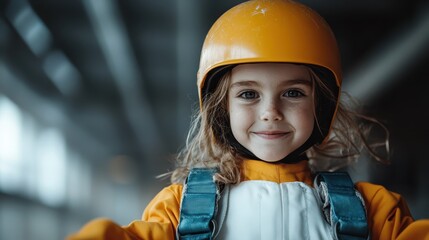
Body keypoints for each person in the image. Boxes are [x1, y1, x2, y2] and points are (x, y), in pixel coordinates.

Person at [67, 0, 429, 239]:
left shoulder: (374, 210)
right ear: (220, 108)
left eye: (293, 93)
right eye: (248, 94)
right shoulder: (180, 210)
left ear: (322, 105)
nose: (270, 111)